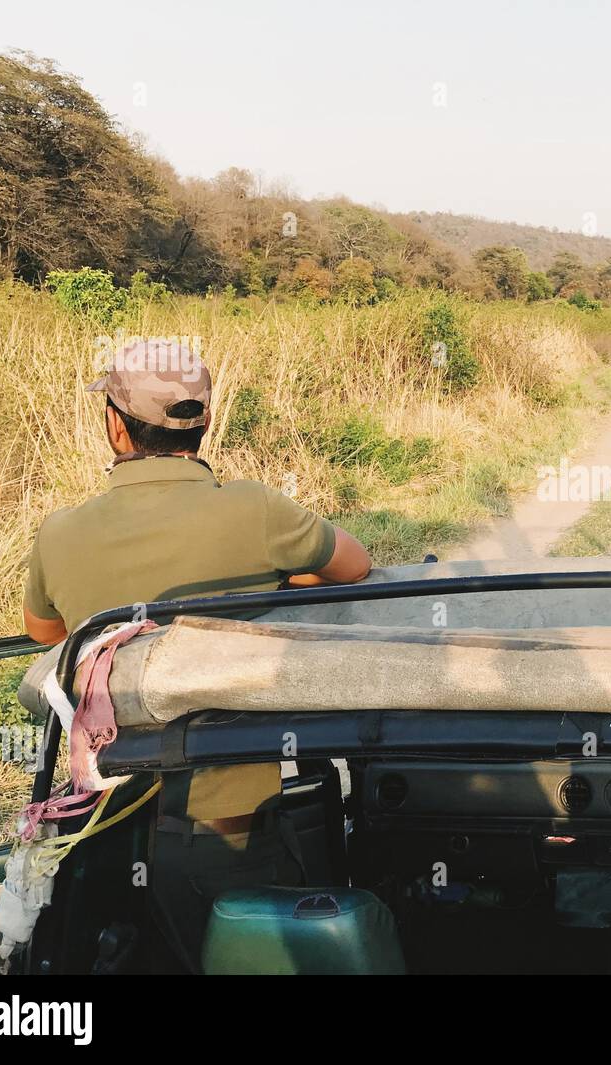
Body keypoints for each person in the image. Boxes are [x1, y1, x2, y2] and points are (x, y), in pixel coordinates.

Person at [22, 338, 372, 970]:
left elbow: (48, 634)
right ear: (203, 422)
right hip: (234, 820)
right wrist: (279, 581)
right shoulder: (255, 509)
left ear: (115, 429)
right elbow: (355, 565)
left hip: (100, 818)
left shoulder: (60, 531)